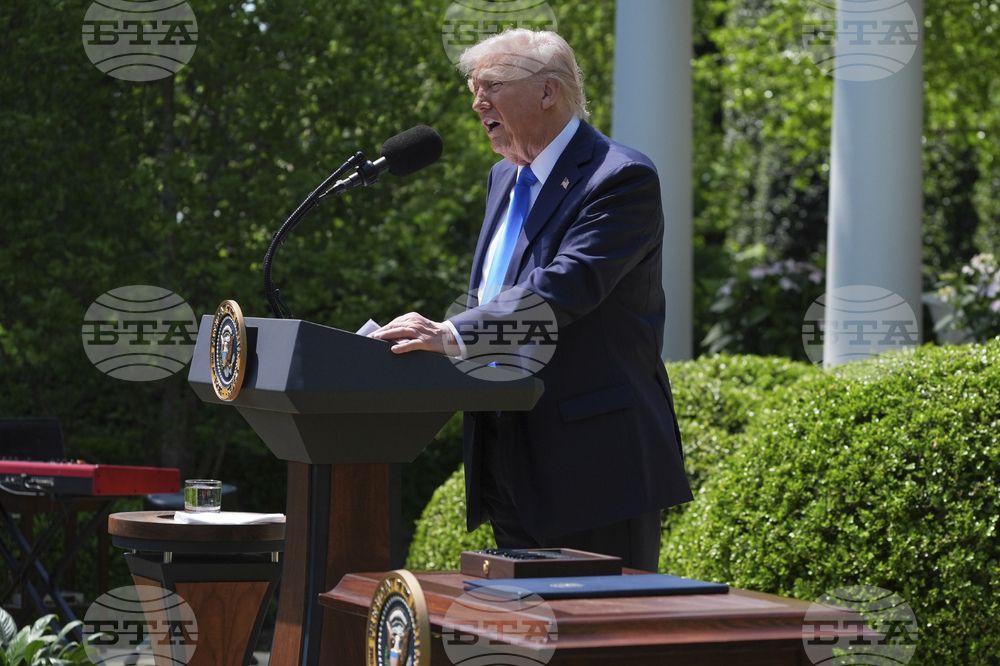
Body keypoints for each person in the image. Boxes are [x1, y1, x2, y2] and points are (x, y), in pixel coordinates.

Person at [371, 29, 692, 570]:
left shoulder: (620, 178)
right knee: (522, 621)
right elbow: (498, 291)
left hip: (594, 465)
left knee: (598, 625)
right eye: (474, 89)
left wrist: (451, 333)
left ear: (548, 91)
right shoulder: (503, 178)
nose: (477, 103)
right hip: (505, 456)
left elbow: (566, 286)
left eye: (492, 86)